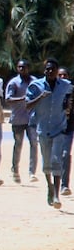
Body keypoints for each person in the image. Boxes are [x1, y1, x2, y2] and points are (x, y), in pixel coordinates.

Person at [26, 58, 72, 209]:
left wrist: (68, 105)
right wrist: (40, 97)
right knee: (46, 164)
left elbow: (71, 93)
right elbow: (27, 105)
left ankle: (57, 195)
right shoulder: (35, 86)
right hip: (43, 129)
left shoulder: (65, 85)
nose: (50, 72)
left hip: (59, 129)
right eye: (47, 69)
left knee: (56, 160)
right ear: (44, 70)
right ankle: (50, 187)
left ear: (57, 71)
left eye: (53, 69)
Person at [5, 59, 39, 183]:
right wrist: (22, 99)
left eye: (23, 67)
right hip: (18, 119)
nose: (21, 69)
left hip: (32, 119)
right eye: (19, 67)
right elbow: (8, 99)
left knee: (34, 144)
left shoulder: (35, 82)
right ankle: (15, 171)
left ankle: (32, 173)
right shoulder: (13, 83)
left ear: (28, 68)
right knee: (18, 145)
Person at [58, 67, 73, 196]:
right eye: (60, 75)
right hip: (53, 129)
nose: (62, 77)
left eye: (65, 75)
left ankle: (64, 185)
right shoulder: (52, 91)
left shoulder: (72, 91)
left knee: (65, 154)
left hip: (68, 129)